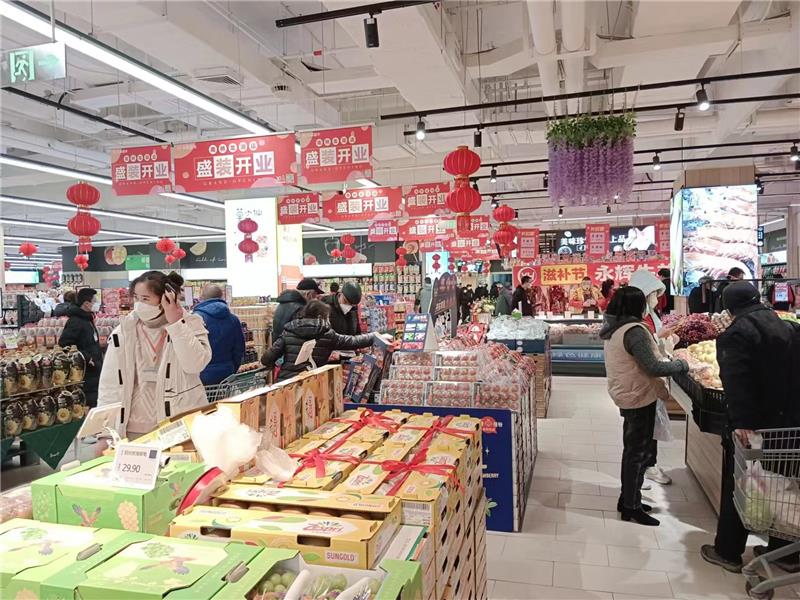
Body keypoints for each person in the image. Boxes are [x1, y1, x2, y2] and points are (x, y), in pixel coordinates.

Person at [701, 281, 799, 573]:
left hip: (754, 425)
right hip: (787, 422)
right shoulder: (787, 326)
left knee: (740, 484)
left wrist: (742, 423)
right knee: (783, 484)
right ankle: (783, 552)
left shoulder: (736, 334)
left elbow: (737, 382)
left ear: (728, 307)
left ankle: (728, 551)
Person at [599, 286, 689, 526]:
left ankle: (628, 499)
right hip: (638, 395)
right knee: (637, 452)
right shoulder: (634, 331)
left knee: (633, 449)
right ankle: (631, 506)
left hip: (627, 392)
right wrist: (682, 365)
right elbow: (653, 367)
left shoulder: (614, 328)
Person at [98, 271, 211, 438]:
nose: (139, 304)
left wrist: (176, 324)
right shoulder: (124, 332)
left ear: (166, 298)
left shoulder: (190, 324)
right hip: (133, 426)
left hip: (179, 424)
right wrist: (106, 432)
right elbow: (110, 384)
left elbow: (195, 364)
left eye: (146, 299)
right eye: (136, 298)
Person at [629, 269, 674, 486]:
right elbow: (643, 347)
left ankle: (646, 466)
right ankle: (640, 472)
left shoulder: (649, 314)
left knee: (648, 427)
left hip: (649, 380)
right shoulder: (635, 320)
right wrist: (659, 337)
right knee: (640, 430)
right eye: (654, 294)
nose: (657, 298)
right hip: (641, 381)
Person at [261, 300, 381, 382]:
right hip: (312, 383)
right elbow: (353, 341)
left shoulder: (289, 330)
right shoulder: (326, 334)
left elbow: (266, 359)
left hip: (287, 383)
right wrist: (374, 336)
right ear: (321, 317)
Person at [193, 284, 245, 386]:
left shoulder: (196, 318)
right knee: (223, 397)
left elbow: (192, 349)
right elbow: (239, 348)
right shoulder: (233, 319)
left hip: (202, 374)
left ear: (202, 297)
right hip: (226, 373)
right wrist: (232, 368)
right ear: (221, 297)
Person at [58, 288, 102, 408]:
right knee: (89, 403)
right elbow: (64, 344)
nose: (97, 304)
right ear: (86, 304)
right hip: (85, 372)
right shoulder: (75, 321)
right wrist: (87, 358)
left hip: (94, 370)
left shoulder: (87, 319)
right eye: (95, 301)